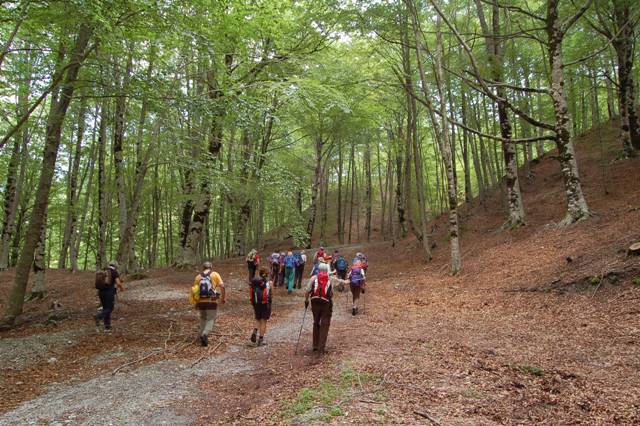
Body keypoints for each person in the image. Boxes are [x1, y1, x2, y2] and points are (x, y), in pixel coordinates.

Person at [304, 263, 347, 354]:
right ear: (326, 270)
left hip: (314, 302)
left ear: (318, 270)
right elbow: (339, 282)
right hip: (326, 303)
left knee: (316, 322)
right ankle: (321, 348)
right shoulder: (329, 278)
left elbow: (307, 290)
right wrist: (347, 281)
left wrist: (306, 300)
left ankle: (315, 345)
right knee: (325, 323)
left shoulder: (313, 278)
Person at [193, 261, 225, 346]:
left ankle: (201, 334)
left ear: (203, 268)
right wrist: (223, 298)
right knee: (211, 318)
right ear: (211, 267)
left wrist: (196, 303)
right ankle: (205, 334)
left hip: (201, 301)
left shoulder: (198, 277)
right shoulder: (215, 274)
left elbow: (195, 291)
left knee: (203, 318)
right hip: (212, 301)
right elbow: (222, 286)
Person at [94, 261, 124, 332]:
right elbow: (118, 283)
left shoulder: (104, 270)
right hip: (109, 292)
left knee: (105, 308)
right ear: (116, 266)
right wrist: (121, 288)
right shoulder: (114, 272)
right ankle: (99, 316)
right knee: (110, 308)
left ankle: (107, 327)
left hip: (101, 292)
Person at [249, 268, 272, 346]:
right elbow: (272, 294)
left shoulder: (255, 282)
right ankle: (260, 340)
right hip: (265, 303)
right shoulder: (269, 282)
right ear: (266, 274)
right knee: (263, 321)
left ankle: (255, 331)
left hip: (256, 303)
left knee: (257, 319)